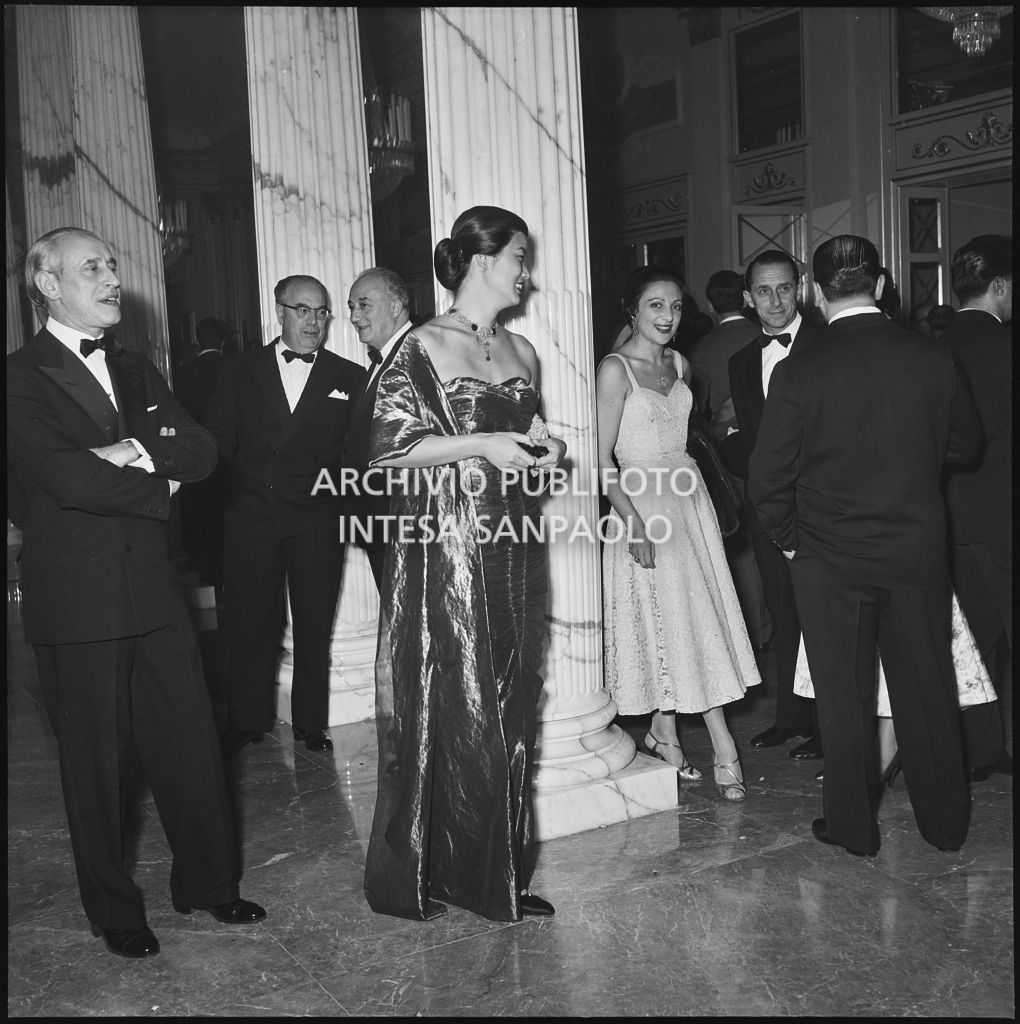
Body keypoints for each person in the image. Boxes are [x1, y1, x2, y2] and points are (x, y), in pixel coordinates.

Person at [6, 227, 265, 960]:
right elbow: (68, 480)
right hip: (78, 598)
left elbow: (204, 451)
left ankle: (210, 885)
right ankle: (114, 909)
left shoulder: (136, 367)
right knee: (97, 764)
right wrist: (155, 473)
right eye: (92, 267)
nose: (112, 277)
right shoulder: (19, 376)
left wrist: (138, 450)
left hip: (154, 587)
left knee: (189, 742)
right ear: (49, 284)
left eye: (113, 265)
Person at [362, 206, 566, 923]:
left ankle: (496, 872)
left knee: (510, 703)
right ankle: (433, 870)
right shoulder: (422, 345)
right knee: (452, 699)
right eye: (518, 257)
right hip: (446, 549)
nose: (525, 272)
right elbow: (389, 449)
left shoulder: (522, 352)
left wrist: (545, 450)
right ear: (482, 261)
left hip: (513, 547)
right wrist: (482, 447)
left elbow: (527, 458)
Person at [749, 234, 981, 857]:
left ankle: (853, 828)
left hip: (829, 560)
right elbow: (965, 447)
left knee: (845, 700)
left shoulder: (801, 369)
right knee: (928, 691)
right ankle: (946, 825)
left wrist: (794, 543)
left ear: (815, 293)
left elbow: (767, 482)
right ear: (880, 286)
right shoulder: (931, 356)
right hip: (916, 553)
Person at [597, 265, 760, 802]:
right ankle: (723, 744)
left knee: (693, 616)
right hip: (643, 507)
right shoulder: (615, 370)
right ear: (633, 311)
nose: (668, 317)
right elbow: (601, 463)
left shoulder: (681, 362)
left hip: (690, 504)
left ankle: (666, 734)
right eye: (655, 307)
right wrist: (633, 522)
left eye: (675, 307)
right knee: (671, 619)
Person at [206, 275, 366, 755]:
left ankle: (311, 722)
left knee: (315, 624)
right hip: (251, 515)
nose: (313, 321)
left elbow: (354, 456)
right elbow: (219, 443)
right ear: (279, 312)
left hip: (317, 519)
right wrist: (231, 506)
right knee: (251, 622)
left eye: (321, 312)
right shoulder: (239, 371)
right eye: (303, 310)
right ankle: (247, 718)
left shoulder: (348, 377)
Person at [719, 250, 822, 761]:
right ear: (747, 297)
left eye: (784, 288)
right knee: (784, 614)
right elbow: (753, 439)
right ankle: (792, 717)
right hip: (768, 509)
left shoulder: (829, 344)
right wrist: (737, 452)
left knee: (826, 618)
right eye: (763, 291)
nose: (775, 300)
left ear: (800, 287)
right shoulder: (742, 362)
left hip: (825, 508)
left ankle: (831, 724)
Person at [942, 234, 1012, 778]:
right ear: (1002, 286)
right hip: (1003, 520)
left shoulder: (928, 347)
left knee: (974, 643)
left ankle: (979, 752)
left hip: (947, 521)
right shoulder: (1006, 347)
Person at [686, 269, 770, 653]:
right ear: (747, 298)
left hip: (729, 458)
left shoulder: (703, 349)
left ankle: (755, 632)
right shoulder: (762, 336)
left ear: (710, 304)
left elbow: (697, 412)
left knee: (743, 547)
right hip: (775, 452)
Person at [340, 267, 415, 590]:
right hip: (379, 525)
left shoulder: (416, 356)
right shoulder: (378, 361)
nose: (354, 316)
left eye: (364, 305)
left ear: (395, 307)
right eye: (351, 306)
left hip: (405, 529)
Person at [174, 316, 231, 586]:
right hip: (229, 459)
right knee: (227, 519)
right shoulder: (233, 367)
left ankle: (207, 575)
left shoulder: (183, 372)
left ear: (198, 339)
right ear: (223, 340)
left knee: (201, 517)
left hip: (195, 456)